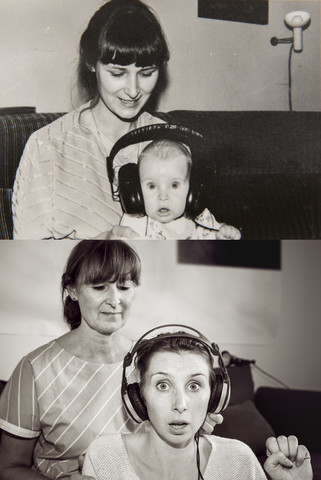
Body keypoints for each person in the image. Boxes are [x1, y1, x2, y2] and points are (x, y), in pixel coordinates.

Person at [0, 242, 221, 480]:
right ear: (73, 290)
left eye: (124, 286)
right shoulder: (33, 369)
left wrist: (188, 432)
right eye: (99, 287)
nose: (115, 300)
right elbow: (8, 468)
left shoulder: (151, 362)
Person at [12, 0, 170, 240]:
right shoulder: (46, 148)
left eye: (147, 73)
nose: (133, 90)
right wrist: (99, 247)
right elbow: (28, 264)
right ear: (91, 64)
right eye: (117, 73)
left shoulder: (170, 141)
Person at [83, 326, 313, 480]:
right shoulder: (104, 457)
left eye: (194, 386)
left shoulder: (238, 461)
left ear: (214, 396)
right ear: (138, 396)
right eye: (163, 385)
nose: (180, 404)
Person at [119, 139, 241, 239]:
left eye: (174, 185)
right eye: (151, 186)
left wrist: (223, 234)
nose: (163, 196)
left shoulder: (201, 218)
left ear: (192, 189)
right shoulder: (134, 224)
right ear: (137, 191)